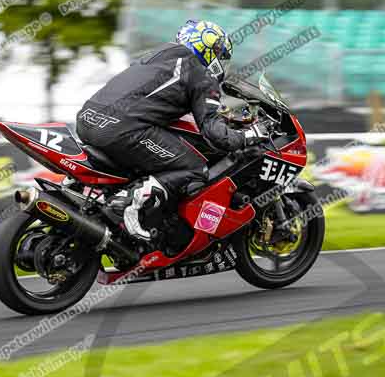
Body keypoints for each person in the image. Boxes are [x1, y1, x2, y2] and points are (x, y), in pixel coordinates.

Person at [75, 20, 269, 243]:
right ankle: (128, 204)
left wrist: (224, 117)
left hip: (88, 119)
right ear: (207, 49)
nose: (220, 61)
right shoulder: (200, 73)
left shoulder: (158, 54)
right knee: (194, 167)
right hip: (121, 130)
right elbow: (214, 134)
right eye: (219, 53)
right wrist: (250, 134)